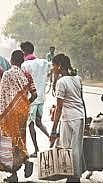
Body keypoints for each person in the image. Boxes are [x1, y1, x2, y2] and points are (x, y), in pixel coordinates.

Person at [0, 50, 37, 182]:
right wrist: (25, 105)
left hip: (8, 113)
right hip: (22, 113)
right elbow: (34, 95)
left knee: (11, 143)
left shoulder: (7, 74)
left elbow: (2, 96)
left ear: (12, 60)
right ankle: (15, 173)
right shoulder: (26, 75)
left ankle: (23, 165)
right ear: (22, 61)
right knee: (20, 139)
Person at [49, 54, 85, 183]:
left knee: (67, 148)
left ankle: (72, 177)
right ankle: (75, 176)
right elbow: (81, 99)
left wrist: (53, 130)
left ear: (59, 66)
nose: (52, 68)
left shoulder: (61, 82)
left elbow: (59, 107)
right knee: (76, 148)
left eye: (53, 66)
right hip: (79, 116)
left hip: (69, 118)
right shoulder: (77, 78)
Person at [20, 41, 51, 157]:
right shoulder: (44, 62)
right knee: (39, 122)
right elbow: (51, 71)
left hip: (31, 99)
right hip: (41, 97)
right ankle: (51, 138)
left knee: (30, 124)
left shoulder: (25, 65)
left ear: (25, 52)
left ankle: (36, 149)